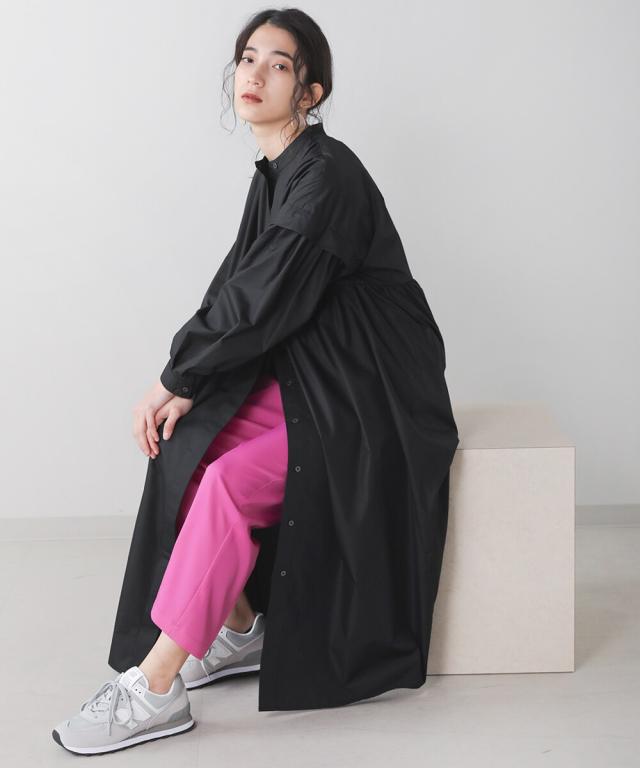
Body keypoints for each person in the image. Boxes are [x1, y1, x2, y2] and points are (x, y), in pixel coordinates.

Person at [52, 7, 459, 755]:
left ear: (310, 91)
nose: (256, 74)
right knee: (190, 444)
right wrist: (180, 384)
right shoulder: (276, 173)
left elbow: (262, 294)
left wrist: (179, 373)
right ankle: (240, 630)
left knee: (231, 483)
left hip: (372, 391)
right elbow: (236, 285)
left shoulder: (326, 175)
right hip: (318, 372)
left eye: (279, 64)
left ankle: (156, 687)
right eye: (247, 59)